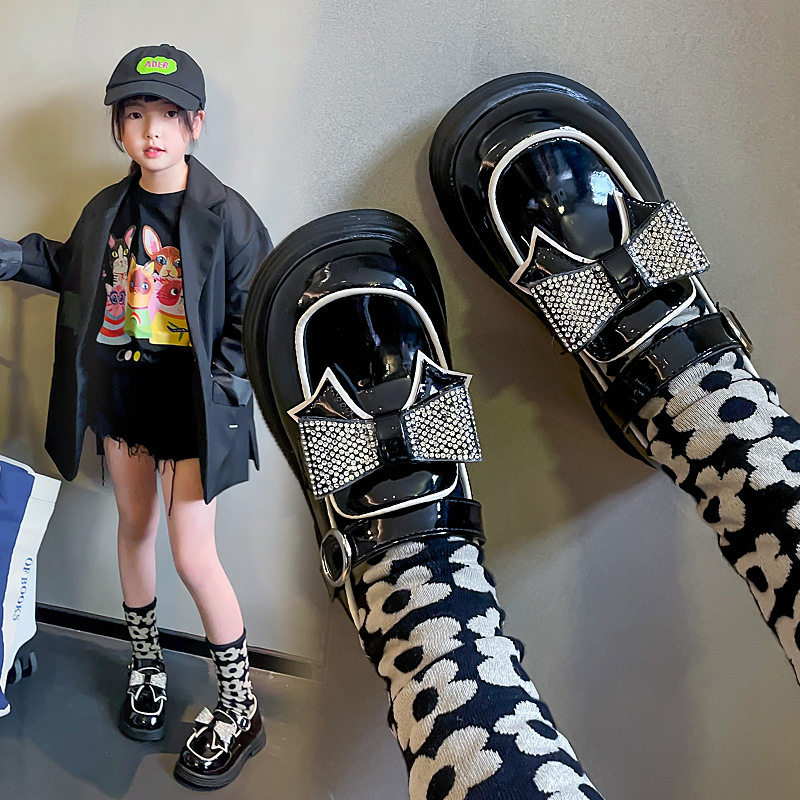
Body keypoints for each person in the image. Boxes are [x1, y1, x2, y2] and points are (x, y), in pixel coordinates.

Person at [0, 44, 272, 790]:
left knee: (193, 553)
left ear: (196, 125)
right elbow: (69, 265)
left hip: (191, 411)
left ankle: (241, 703)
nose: (152, 131)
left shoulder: (228, 216)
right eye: (136, 114)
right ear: (119, 126)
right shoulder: (107, 209)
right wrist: (13, 258)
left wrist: (223, 388)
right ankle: (146, 664)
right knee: (134, 527)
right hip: (122, 400)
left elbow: (251, 312)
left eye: (169, 115)